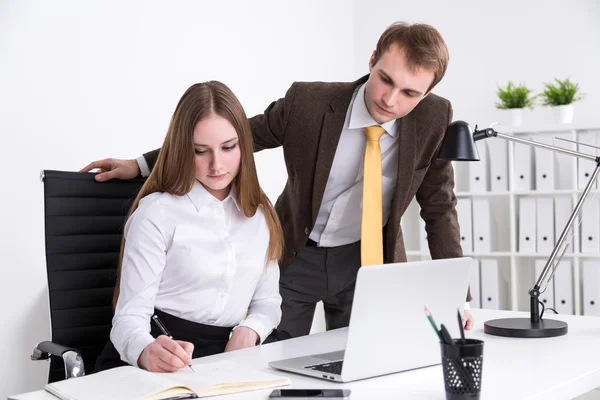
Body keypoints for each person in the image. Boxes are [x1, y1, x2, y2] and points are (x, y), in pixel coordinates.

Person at [83, 21, 474, 340]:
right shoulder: (309, 104)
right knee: (276, 362)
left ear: (427, 94)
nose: (390, 100)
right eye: (385, 79)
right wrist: (142, 164)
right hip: (297, 253)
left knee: (367, 362)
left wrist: (458, 299)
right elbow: (237, 135)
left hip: (367, 261)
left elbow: (440, 208)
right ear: (372, 60)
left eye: (409, 93)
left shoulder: (434, 120)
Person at [94, 81, 283, 373]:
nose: (217, 164)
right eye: (200, 151)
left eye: (229, 147)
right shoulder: (156, 214)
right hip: (161, 356)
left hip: (226, 361)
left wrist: (252, 329)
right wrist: (145, 351)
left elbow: (268, 301)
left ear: (244, 144)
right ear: (183, 150)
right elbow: (128, 318)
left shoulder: (259, 215)